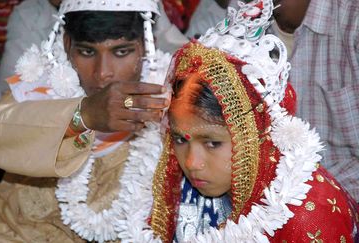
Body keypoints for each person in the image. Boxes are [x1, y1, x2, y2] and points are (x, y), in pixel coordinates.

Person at [0, 0, 171, 241]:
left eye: (121, 52)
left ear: (146, 45)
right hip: (13, 224)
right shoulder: (47, 80)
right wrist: (82, 116)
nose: (102, 72)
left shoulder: (169, 97)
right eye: (87, 52)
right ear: (66, 45)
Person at [148, 0, 359, 242]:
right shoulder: (185, 192)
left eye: (212, 143)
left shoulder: (307, 218)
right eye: (179, 138)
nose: (192, 163)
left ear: (256, 134)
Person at [270, 0, 359, 201]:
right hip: (274, 203)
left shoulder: (352, 18)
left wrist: (314, 195)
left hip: (346, 200)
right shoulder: (246, 19)